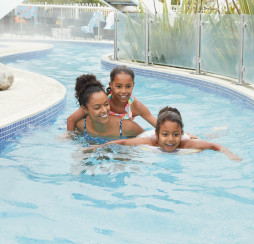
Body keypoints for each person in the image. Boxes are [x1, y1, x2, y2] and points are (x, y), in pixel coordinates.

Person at [100, 107, 241, 161]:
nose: (170, 140)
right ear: (157, 134)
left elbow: (215, 146)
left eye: (175, 135)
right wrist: (99, 147)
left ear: (180, 134)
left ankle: (217, 131)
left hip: (190, 136)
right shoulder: (150, 141)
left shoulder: (186, 142)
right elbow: (123, 142)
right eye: (165, 134)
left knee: (203, 138)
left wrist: (230, 155)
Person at [67, 65, 157, 131]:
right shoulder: (103, 100)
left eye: (128, 86)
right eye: (118, 86)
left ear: (133, 85)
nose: (123, 91)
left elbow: (159, 126)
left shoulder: (136, 106)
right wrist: (71, 137)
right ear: (111, 85)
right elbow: (71, 119)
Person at [73, 74, 144, 141]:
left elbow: (149, 138)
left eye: (106, 104)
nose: (104, 110)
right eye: (97, 107)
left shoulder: (127, 127)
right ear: (84, 109)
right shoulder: (82, 126)